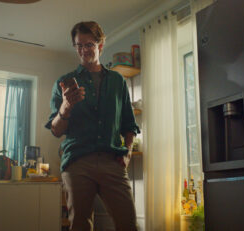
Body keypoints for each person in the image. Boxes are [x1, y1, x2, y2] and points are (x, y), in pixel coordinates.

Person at [45, 21, 140, 231]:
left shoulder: (118, 81)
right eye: (79, 46)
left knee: (128, 223)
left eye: (88, 45)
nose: (83, 50)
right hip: (77, 162)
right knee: (80, 226)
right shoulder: (64, 83)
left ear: (101, 45)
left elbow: (129, 124)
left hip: (112, 162)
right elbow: (56, 130)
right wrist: (66, 107)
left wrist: (128, 152)